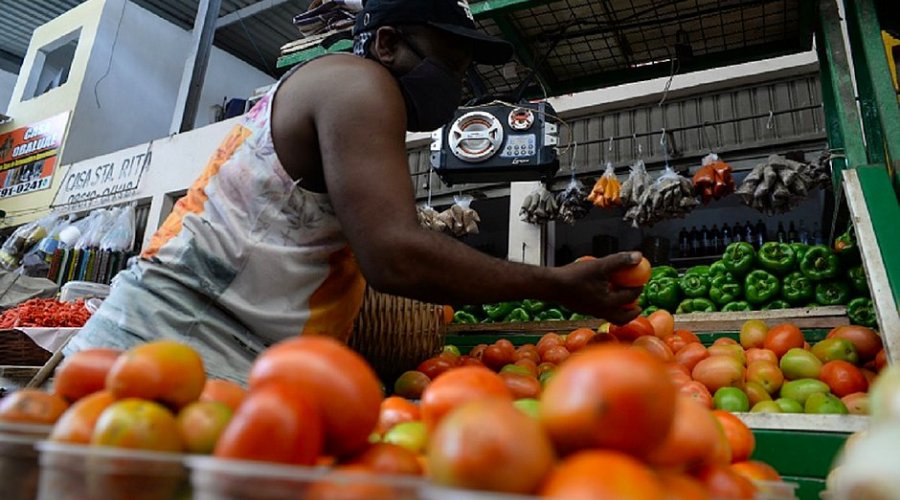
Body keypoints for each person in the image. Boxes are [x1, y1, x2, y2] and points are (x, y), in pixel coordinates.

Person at [63, 0, 644, 383]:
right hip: (166, 350)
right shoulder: (359, 83)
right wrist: (553, 285)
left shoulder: (336, 93)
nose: (459, 87)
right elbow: (394, 255)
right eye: (450, 64)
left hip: (198, 358)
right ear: (387, 44)